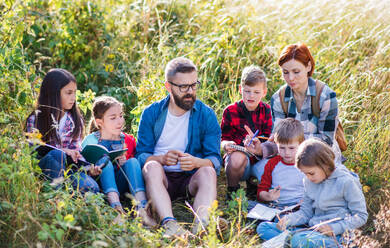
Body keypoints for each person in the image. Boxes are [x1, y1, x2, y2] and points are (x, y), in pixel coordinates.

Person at [136, 57, 222, 236]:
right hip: (160, 180)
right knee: (151, 166)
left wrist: (196, 162)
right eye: (183, 87)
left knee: (208, 171)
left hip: (190, 179)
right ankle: (169, 224)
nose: (190, 91)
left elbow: (215, 159)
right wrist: (161, 159)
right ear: (168, 87)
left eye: (194, 85)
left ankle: (202, 225)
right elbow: (141, 155)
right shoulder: (151, 113)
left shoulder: (206, 115)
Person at [257, 139, 368, 247]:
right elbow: (306, 213)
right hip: (312, 230)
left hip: (336, 235)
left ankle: (293, 242)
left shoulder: (346, 182)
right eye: (305, 174)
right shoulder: (309, 181)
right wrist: (288, 220)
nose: (308, 178)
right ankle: (291, 242)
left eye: (311, 173)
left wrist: (334, 228)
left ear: (325, 165)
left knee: (299, 240)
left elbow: (361, 216)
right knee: (263, 227)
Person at [81, 96, 156, 227]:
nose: (119, 121)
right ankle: (116, 209)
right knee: (106, 162)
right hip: (100, 186)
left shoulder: (127, 140)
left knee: (132, 162)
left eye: (121, 116)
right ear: (100, 122)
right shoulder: (90, 140)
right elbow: (82, 166)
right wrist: (92, 170)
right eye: (113, 118)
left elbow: (135, 169)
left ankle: (142, 209)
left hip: (122, 184)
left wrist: (124, 161)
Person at [25, 68, 99, 193]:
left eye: (75, 93)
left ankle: (67, 194)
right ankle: (55, 196)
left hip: (68, 169)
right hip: (44, 167)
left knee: (92, 187)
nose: (73, 98)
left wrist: (87, 167)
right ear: (53, 93)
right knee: (57, 155)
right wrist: (63, 151)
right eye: (68, 93)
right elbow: (33, 151)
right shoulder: (36, 119)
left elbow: (76, 151)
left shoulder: (75, 120)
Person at [270, 43, 343, 163]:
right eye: (285, 72)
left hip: (321, 158)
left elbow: (326, 141)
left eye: (296, 71)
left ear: (308, 66)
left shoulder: (326, 96)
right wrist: (262, 148)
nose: (291, 78)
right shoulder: (278, 98)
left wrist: (293, 142)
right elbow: (279, 141)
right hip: (289, 159)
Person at [220, 65, 272, 199]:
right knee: (237, 157)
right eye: (247, 91)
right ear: (240, 89)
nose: (251, 96)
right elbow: (223, 138)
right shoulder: (230, 111)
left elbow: (268, 140)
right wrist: (227, 144)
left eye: (256, 92)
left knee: (272, 160)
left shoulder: (266, 110)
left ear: (264, 92)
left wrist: (257, 144)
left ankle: (255, 186)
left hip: (258, 158)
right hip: (237, 160)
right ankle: (232, 190)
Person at [255, 118, 305, 208]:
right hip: (277, 205)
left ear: (301, 144)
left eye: (291, 148)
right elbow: (261, 191)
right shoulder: (272, 163)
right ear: (276, 144)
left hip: (300, 205)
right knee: (250, 207)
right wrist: (268, 196)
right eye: (282, 148)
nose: (287, 153)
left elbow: (316, 188)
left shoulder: (306, 163)